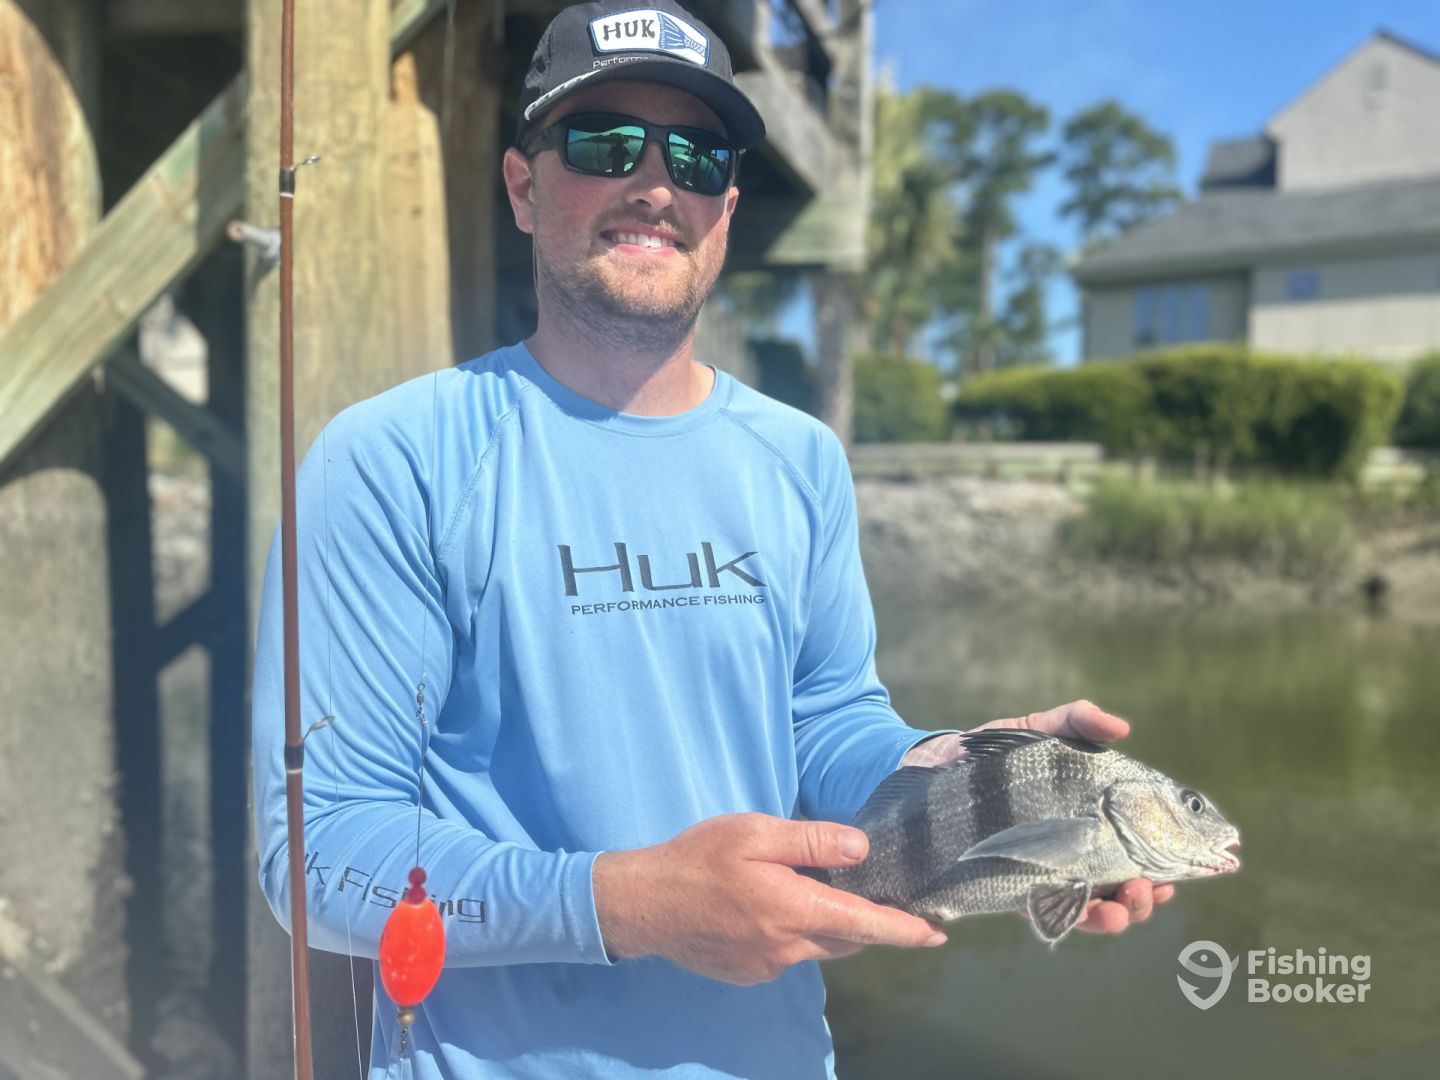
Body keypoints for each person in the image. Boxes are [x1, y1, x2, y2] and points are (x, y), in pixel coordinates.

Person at [252, 2, 1171, 1076]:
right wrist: (626, 903)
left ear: (726, 209)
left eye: (696, 157)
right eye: (604, 142)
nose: (655, 184)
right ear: (522, 186)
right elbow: (316, 855)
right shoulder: (390, 459)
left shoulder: (801, 456)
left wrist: (956, 777)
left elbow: (827, 724)